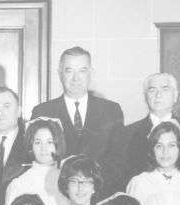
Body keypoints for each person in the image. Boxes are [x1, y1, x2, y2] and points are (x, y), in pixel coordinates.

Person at [30, 46, 124, 196]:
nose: (76, 78)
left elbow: (118, 161)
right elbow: (36, 160)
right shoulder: (42, 112)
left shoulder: (111, 110)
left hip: (99, 198)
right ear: (59, 74)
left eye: (82, 70)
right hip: (55, 196)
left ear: (90, 73)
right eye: (69, 71)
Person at [120, 72, 180, 195]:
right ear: (145, 97)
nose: (158, 95)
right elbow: (122, 178)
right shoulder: (129, 133)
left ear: (175, 96)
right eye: (152, 90)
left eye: (165, 89)